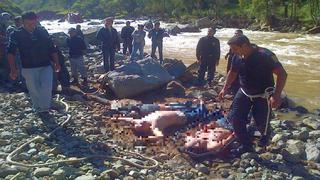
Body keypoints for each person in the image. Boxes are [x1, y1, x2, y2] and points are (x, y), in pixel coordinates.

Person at [219, 35, 287, 154]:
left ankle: (264, 138)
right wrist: (225, 88)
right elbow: (232, 72)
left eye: (235, 49)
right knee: (236, 118)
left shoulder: (265, 55)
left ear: (244, 45)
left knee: (261, 122)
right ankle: (246, 145)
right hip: (244, 91)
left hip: (263, 95)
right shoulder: (237, 56)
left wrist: (276, 95)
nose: (233, 52)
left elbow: (282, 74)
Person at [7, 12, 61, 114]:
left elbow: (51, 48)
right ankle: (37, 108)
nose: (32, 26)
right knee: (34, 90)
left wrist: (57, 63)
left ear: (36, 21)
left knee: (46, 87)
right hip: (28, 68)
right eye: (28, 24)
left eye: (33, 23)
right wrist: (13, 69)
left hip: (45, 65)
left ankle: (45, 109)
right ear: (22, 22)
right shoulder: (16, 34)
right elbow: (10, 53)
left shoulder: (42, 31)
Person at [224, 29, 243, 94]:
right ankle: (229, 86)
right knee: (229, 71)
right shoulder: (233, 40)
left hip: (238, 58)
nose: (236, 35)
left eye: (238, 34)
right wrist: (227, 54)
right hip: (231, 58)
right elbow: (231, 49)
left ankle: (236, 88)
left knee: (236, 73)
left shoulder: (243, 42)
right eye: (235, 34)